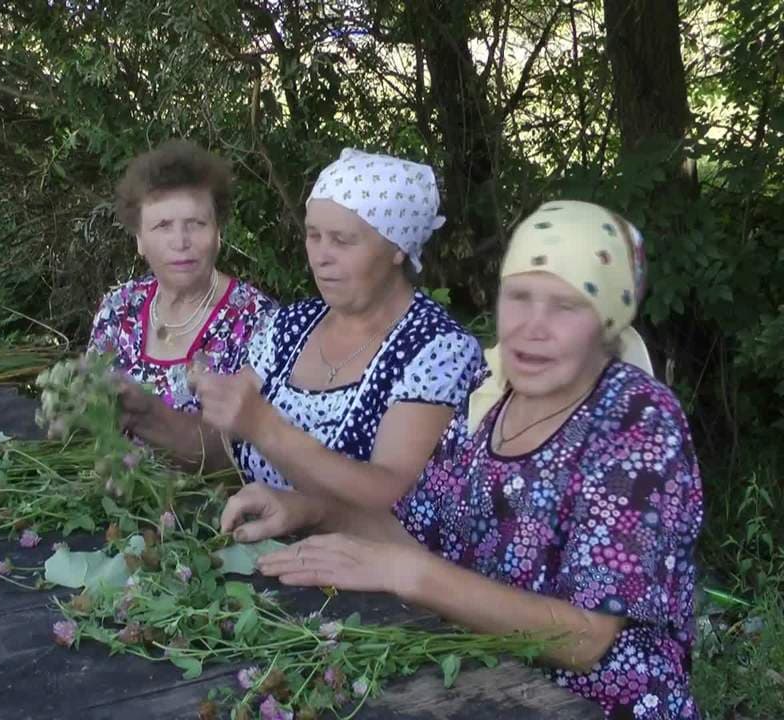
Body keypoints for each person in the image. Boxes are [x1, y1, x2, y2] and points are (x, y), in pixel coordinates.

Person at [223, 201, 703, 719]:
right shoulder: (489, 397)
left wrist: (411, 575)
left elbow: (586, 638)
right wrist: (309, 509)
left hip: (594, 705)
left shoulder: (635, 419)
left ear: (607, 318)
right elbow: (411, 536)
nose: (532, 327)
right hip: (476, 684)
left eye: (565, 307)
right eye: (519, 297)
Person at [126, 148, 482, 510]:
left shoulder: (436, 349)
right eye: (314, 236)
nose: (321, 256)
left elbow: (391, 496)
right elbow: (219, 454)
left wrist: (265, 427)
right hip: (263, 552)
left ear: (397, 248)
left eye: (342, 240)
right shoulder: (291, 327)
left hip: (356, 564)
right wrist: (141, 413)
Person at [88, 139, 276, 412]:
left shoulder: (258, 323)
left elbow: (252, 447)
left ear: (218, 234)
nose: (180, 242)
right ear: (139, 239)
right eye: (163, 225)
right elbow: (89, 415)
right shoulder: (118, 308)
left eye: (196, 224)